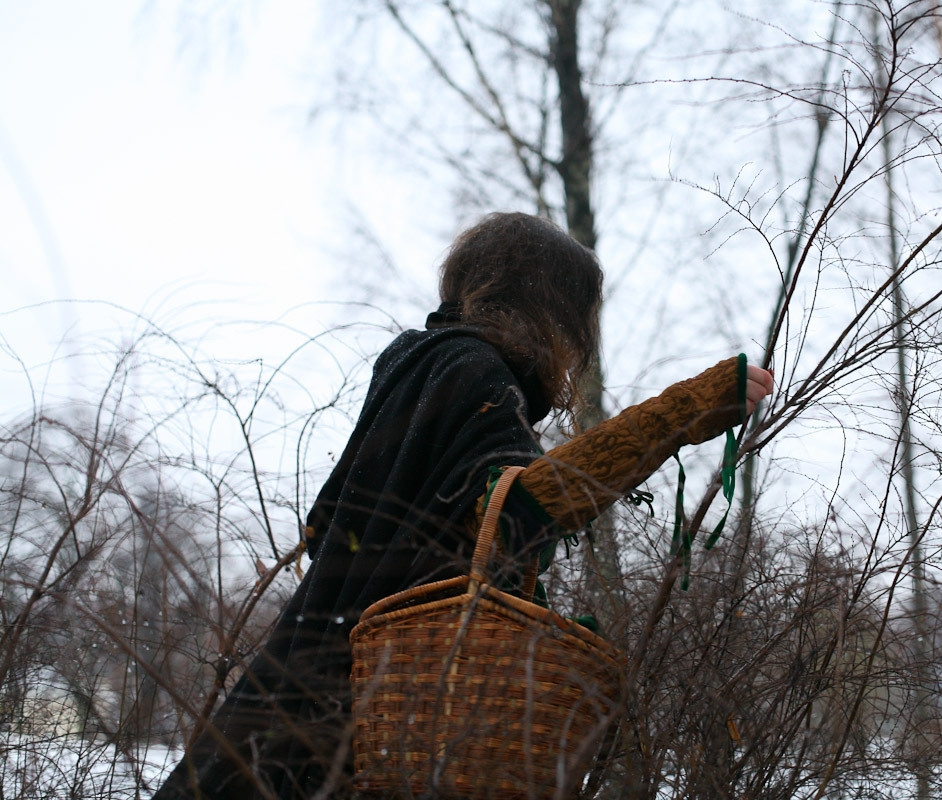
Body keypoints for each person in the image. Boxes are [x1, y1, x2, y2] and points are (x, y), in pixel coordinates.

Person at [153, 211, 773, 799]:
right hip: (374, 710)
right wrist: (683, 413)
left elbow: (337, 528)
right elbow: (516, 509)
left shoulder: (418, 366)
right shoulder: (472, 369)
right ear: (547, 308)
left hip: (311, 684)